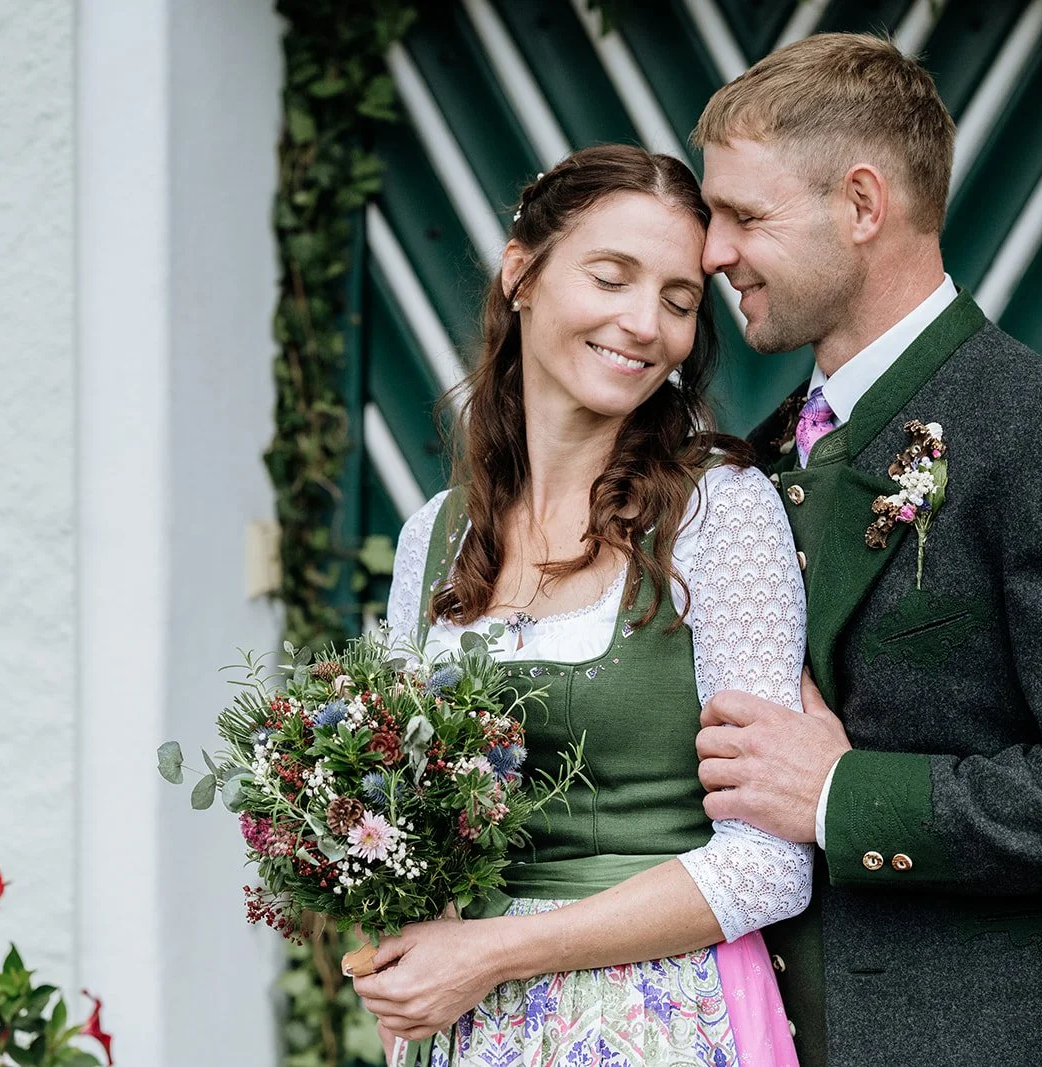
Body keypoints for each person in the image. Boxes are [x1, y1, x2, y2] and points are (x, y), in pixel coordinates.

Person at [690, 33, 1042, 1066]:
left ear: (861, 203)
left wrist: (842, 795)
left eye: (745, 216)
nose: (713, 252)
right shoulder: (762, 461)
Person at [354, 143, 811, 1067]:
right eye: (611, 278)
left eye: (679, 301)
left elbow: (770, 863)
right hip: (468, 1028)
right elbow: (400, 814)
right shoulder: (433, 535)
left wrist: (495, 950)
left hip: (660, 1022)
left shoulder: (719, 513)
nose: (644, 323)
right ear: (521, 273)